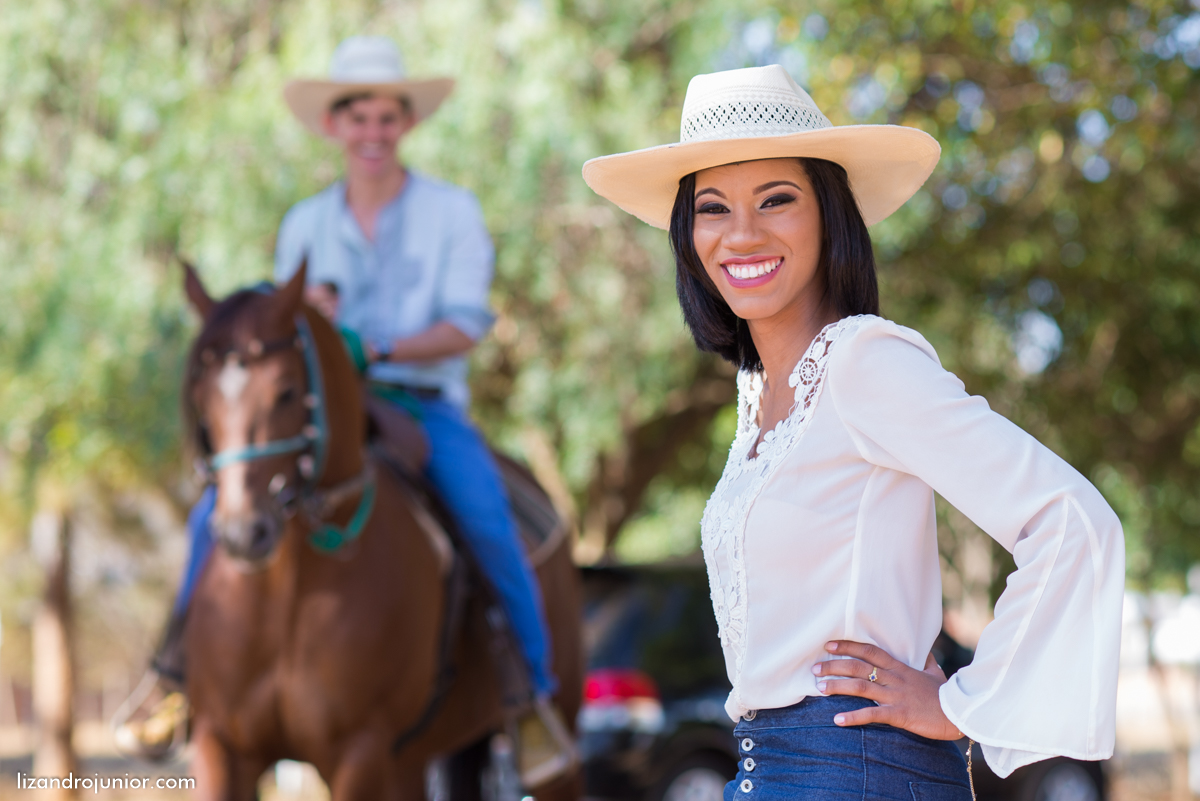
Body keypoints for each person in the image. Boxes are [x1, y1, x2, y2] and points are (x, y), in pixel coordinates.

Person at [582, 64, 1125, 800]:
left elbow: (1072, 521)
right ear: (688, 233)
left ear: (828, 215)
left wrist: (961, 702)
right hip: (767, 772)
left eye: (777, 199)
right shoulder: (761, 396)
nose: (742, 233)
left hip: (856, 773)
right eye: (713, 208)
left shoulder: (863, 361)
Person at [117, 36, 575, 786]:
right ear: (333, 126)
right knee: (214, 512)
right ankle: (172, 673)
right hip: (322, 406)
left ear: (405, 124)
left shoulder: (451, 213)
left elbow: (465, 324)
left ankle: (529, 695)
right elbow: (281, 332)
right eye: (356, 115)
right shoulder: (305, 223)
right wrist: (314, 322)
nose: (372, 130)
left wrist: (374, 344)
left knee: (489, 517)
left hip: (424, 401)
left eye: (386, 116)